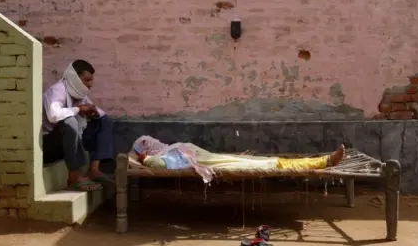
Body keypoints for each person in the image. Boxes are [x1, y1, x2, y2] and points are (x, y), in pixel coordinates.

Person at [131, 135, 346, 183]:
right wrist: (144, 158)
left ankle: (325, 160)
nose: (155, 142)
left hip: (221, 158)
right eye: (148, 143)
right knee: (272, 163)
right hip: (221, 163)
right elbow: (158, 164)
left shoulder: (170, 149)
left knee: (271, 160)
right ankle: (325, 161)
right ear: (147, 149)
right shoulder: (163, 157)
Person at [42, 59, 114, 191]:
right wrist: (79, 110)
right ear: (75, 78)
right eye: (87, 80)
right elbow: (53, 115)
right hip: (49, 146)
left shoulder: (79, 93)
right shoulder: (58, 90)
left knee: (104, 119)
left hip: (71, 143)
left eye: (91, 80)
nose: (90, 84)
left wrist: (93, 113)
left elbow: (96, 112)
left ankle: (94, 169)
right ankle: (74, 177)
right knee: (70, 121)